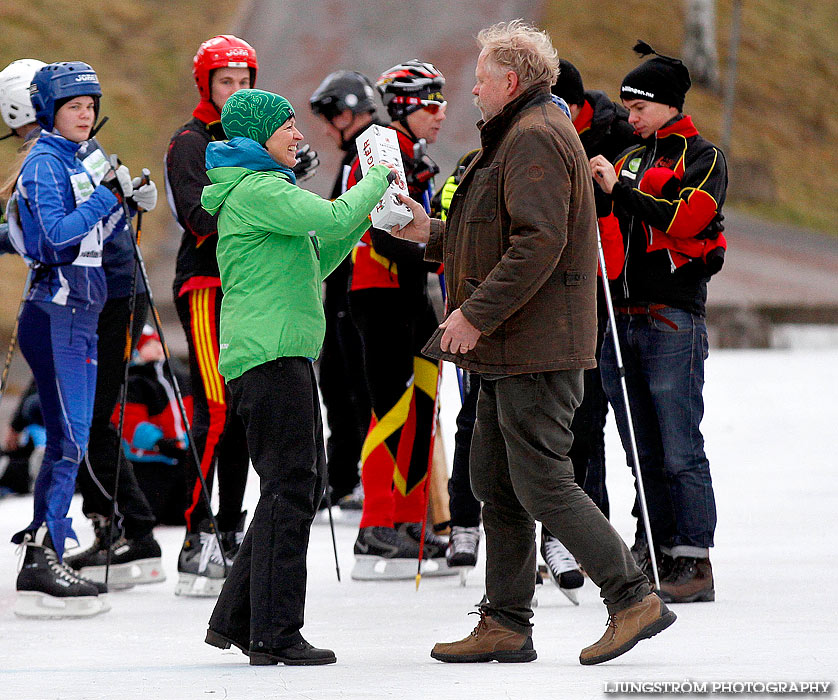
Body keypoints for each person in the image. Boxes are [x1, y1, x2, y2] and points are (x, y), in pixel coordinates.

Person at [390, 20, 675, 665]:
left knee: (542, 480)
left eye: (482, 79)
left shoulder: (536, 137)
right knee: (495, 477)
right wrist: (418, 229)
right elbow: (486, 233)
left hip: (535, 345)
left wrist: (475, 317)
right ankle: (506, 622)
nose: (472, 91)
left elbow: (537, 242)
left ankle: (632, 596)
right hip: (511, 346)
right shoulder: (516, 136)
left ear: (511, 82)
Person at [199, 88, 397, 665]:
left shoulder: (264, 193)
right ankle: (275, 633)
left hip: (278, 356)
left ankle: (235, 618)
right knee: (290, 489)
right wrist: (378, 177)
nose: (298, 135)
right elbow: (333, 213)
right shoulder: (257, 189)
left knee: (297, 487)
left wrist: (365, 215)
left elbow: (322, 251)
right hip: (271, 357)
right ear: (257, 137)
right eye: (287, 127)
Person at [0, 56, 165, 590]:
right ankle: (45, 554)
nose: (86, 115)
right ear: (49, 110)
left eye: (91, 106)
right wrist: (109, 199)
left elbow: (93, 234)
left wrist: (125, 203)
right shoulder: (48, 162)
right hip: (60, 313)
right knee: (72, 437)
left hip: (87, 311)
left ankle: (45, 546)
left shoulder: (72, 156)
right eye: (74, 106)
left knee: (75, 434)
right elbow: (54, 239)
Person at [589, 40, 727, 604]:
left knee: (677, 446)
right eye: (626, 106)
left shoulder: (703, 155)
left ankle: (692, 560)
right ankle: (654, 545)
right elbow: (608, 231)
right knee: (639, 447)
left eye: (639, 106)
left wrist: (618, 192)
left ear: (669, 104)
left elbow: (689, 219)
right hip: (620, 317)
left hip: (672, 318)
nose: (630, 116)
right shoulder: (629, 157)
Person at [536, 58, 642, 600]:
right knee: (551, 427)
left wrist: (604, 194)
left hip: (593, 300)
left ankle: (589, 533)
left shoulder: (614, 138)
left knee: (588, 415)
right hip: (547, 304)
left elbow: (614, 251)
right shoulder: (531, 140)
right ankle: (557, 537)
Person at [345, 59, 452, 580]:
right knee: (388, 405)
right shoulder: (380, 147)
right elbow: (384, 228)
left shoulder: (416, 152)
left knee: (423, 403)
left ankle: (410, 518)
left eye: (444, 104)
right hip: (379, 289)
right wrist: (444, 250)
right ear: (406, 107)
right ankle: (375, 522)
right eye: (432, 104)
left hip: (413, 291)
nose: (441, 115)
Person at [165, 35, 257, 597]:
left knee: (245, 408)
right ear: (207, 85)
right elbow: (198, 217)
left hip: (248, 283)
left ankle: (229, 526)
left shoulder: (252, 134)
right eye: (227, 82)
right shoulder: (190, 141)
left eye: (245, 81)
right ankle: (196, 532)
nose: (237, 91)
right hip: (205, 282)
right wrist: (261, 196)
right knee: (216, 406)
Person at [309, 70, 383, 511]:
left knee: (354, 385)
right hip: (342, 291)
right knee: (337, 383)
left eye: (328, 117)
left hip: (359, 292)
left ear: (346, 112)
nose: (325, 127)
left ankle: (351, 478)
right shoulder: (356, 153)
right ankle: (339, 477)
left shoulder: (370, 152)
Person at [112, 325, 192, 526]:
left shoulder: (179, 377)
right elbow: (130, 422)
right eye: (149, 343)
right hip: (149, 460)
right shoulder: (133, 381)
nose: (157, 347)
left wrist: (189, 439)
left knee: (182, 513)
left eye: (159, 341)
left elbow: (192, 411)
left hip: (181, 455)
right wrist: (158, 442)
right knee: (150, 510)